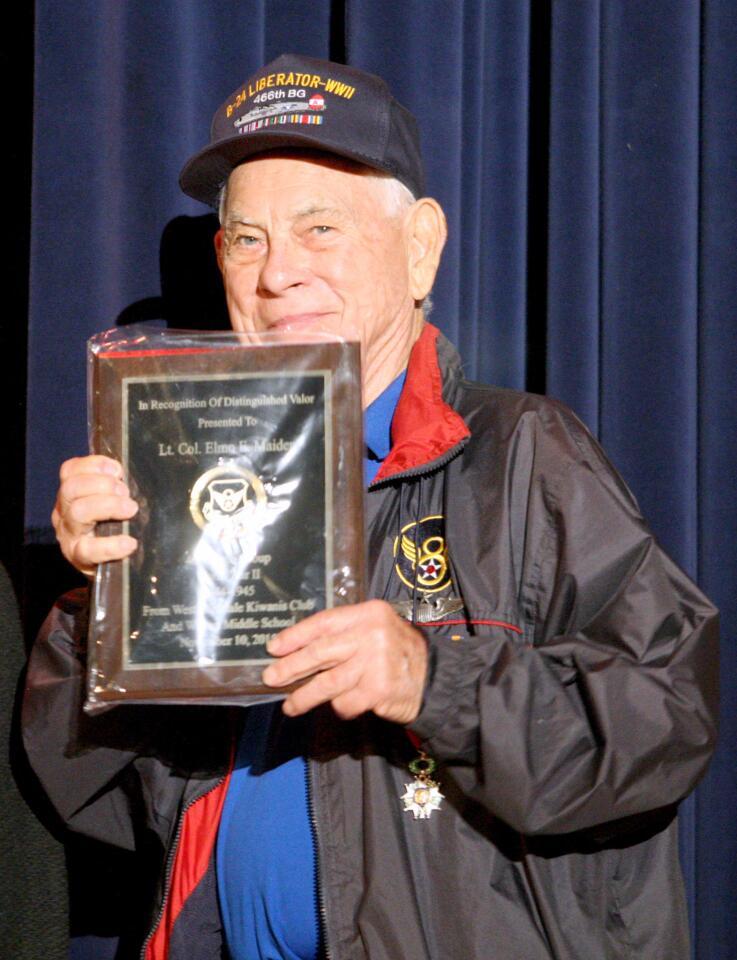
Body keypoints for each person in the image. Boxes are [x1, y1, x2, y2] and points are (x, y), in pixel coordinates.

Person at [23, 54, 719, 960]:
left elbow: (664, 724)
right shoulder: (184, 471)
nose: (277, 276)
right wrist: (102, 606)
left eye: (319, 229)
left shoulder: (523, 454)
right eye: (246, 239)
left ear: (419, 246)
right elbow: (87, 801)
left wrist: (433, 680)